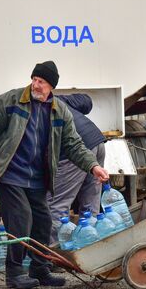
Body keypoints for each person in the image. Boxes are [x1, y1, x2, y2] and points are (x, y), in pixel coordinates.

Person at [0, 61, 109, 289]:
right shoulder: (11, 100)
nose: (36, 85)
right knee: (20, 219)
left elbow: (73, 143)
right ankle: (14, 273)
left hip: (38, 178)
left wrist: (92, 166)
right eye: (35, 80)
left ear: (51, 87)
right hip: (10, 174)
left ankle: (39, 268)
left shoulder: (59, 110)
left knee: (43, 222)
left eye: (42, 82)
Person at [48, 94, 106, 244]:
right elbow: (86, 101)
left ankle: (55, 256)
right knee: (90, 208)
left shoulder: (30, 110)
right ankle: (92, 250)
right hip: (96, 141)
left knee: (55, 206)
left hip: (74, 152)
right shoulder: (57, 99)